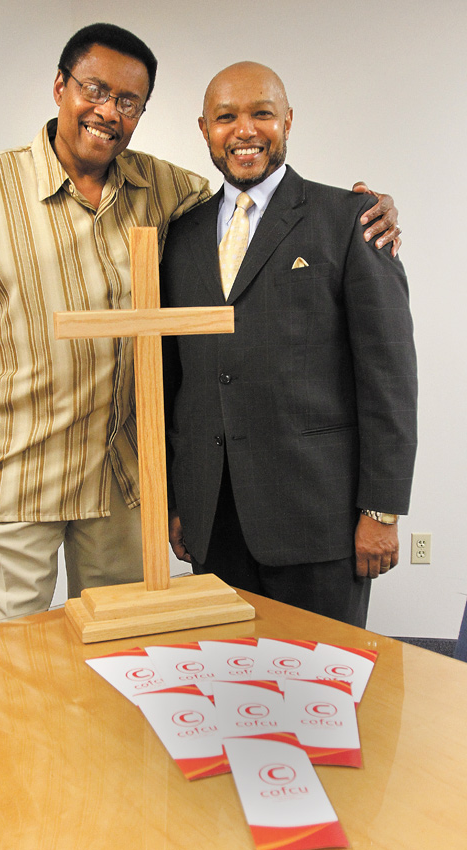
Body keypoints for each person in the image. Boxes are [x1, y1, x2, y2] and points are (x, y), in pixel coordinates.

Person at [0, 24, 402, 623]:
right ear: (61, 86)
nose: (108, 111)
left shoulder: (166, 193)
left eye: (128, 102)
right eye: (95, 90)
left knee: (125, 658)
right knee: (21, 670)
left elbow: (253, 199)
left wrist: (365, 213)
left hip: (123, 486)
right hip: (16, 474)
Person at [162, 62, 417, 628]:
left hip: (318, 520)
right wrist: (179, 502)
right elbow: (175, 378)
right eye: (226, 117)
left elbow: (389, 376)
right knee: (222, 694)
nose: (245, 130)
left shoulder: (352, 220)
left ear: (289, 121)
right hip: (213, 521)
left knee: (321, 698)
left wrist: (383, 510)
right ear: (204, 128)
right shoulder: (180, 237)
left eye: (262, 114)